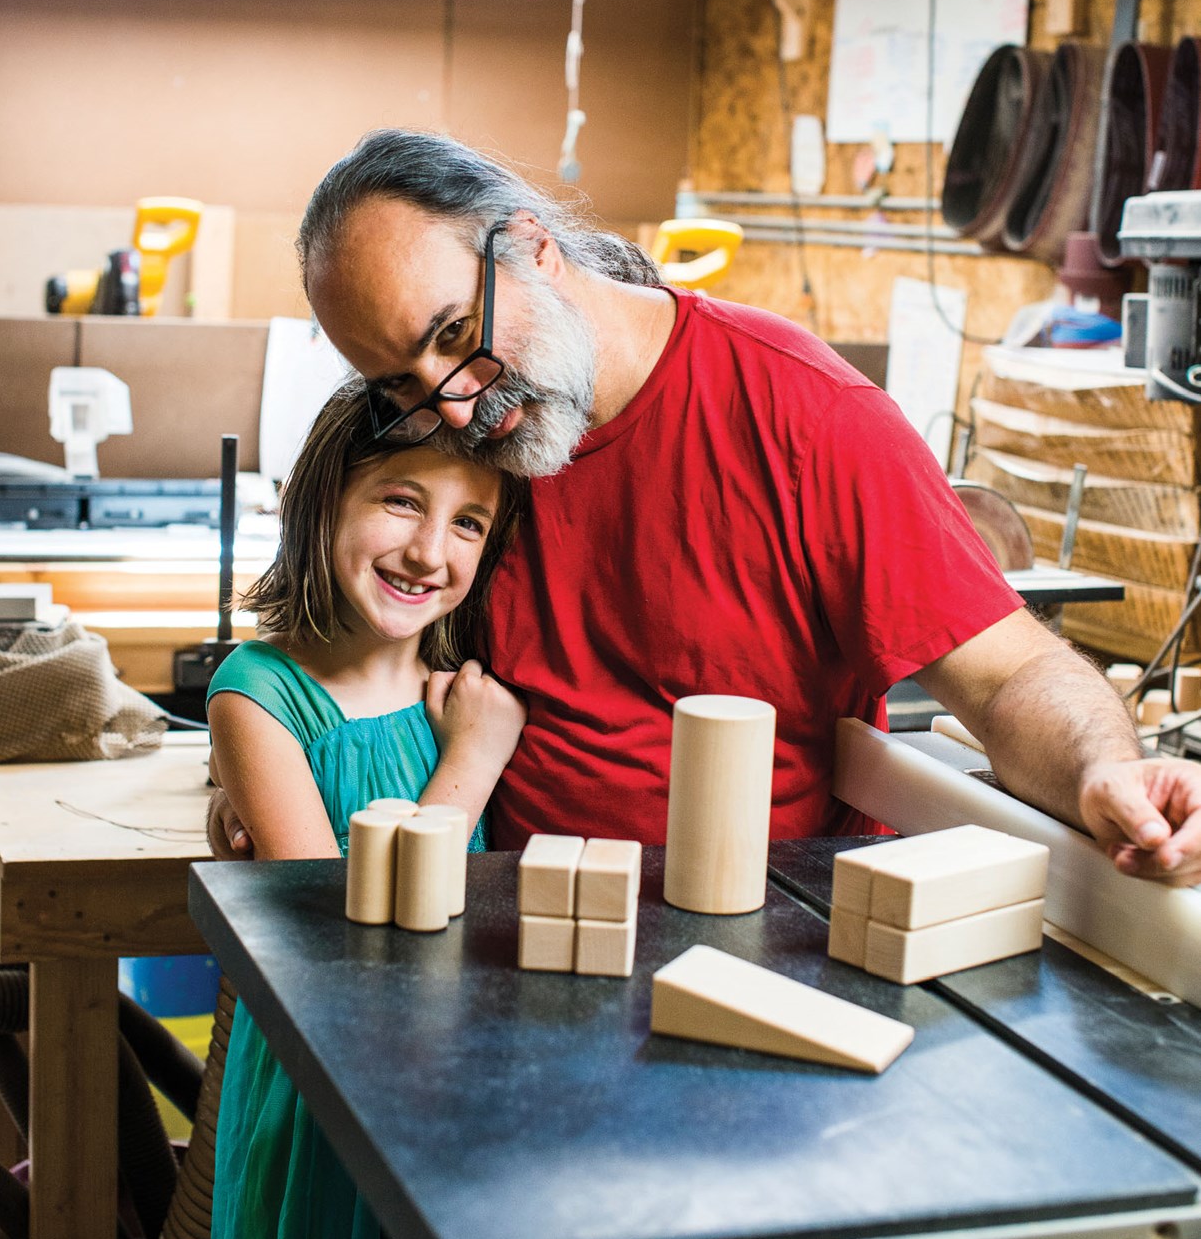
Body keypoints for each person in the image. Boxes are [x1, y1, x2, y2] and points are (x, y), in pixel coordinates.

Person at [210, 128, 1201, 886]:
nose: (454, 403)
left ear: (531, 247)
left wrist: (1100, 770)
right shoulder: (464, 446)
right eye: (399, 382)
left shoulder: (803, 417)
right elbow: (357, 655)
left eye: (457, 332)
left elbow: (1007, 673)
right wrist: (258, 776)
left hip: (764, 939)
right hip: (507, 940)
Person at [204, 379, 525, 1239]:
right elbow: (337, 943)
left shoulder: (461, 684)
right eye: (399, 500)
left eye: (466, 521)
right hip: (326, 1096)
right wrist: (472, 764)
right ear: (321, 500)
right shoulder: (257, 694)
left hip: (449, 1074)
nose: (430, 550)